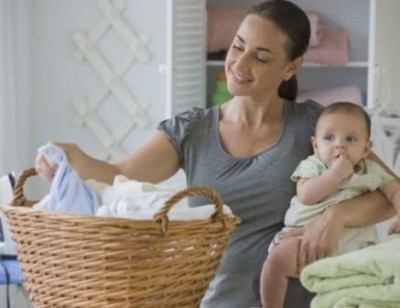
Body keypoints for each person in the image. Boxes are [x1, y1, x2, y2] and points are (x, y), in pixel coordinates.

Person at [35, 1, 396, 307]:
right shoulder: (192, 130)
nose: (239, 64)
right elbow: (117, 173)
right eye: (237, 46)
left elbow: (388, 191)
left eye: (261, 56)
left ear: (291, 67)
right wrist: (70, 157)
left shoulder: (317, 127)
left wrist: (336, 215)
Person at [260, 102, 400, 308]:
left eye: (350, 139)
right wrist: (334, 174)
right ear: (316, 145)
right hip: (304, 239)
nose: (339, 145)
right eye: (329, 138)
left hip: (356, 245)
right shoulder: (313, 165)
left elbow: (395, 190)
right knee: (276, 261)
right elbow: (307, 195)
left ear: (366, 148)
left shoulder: (372, 170)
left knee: (361, 288)